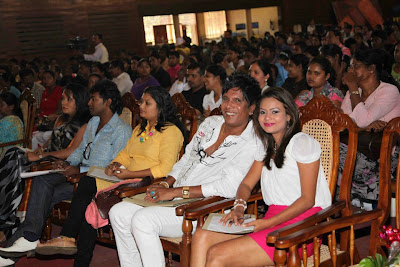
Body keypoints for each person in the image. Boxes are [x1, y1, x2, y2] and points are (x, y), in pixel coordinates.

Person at [108, 74, 264, 267]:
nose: (228, 106)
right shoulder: (211, 124)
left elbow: (228, 186)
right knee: (118, 212)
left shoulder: (253, 141)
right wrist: (166, 183)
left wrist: (175, 192)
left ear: (252, 108)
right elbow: (186, 160)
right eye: (225, 99)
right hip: (176, 196)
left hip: (207, 207)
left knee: (143, 220)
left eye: (237, 101)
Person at [34, 86, 184, 266]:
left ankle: (68, 237)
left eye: (147, 103)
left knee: (90, 190)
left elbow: (166, 168)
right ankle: (74, 249)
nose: (141, 106)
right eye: (141, 102)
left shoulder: (171, 131)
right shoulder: (140, 129)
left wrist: (130, 173)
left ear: (160, 107)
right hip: (126, 178)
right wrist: (115, 165)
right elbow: (125, 154)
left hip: (146, 182)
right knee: (91, 203)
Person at [190, 87, 331, 266]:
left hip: (303, 224)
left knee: (218, 255)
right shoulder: (265, 146)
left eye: (275, 112)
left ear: (288, 115)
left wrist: (267, 223)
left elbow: (308, 200)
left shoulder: (302, 143)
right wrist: (239, 207)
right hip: (272, 219)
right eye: (263, 112)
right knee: (201, 236)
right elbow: (247, 184)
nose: (267, 117)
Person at [0, 80, 131, 266]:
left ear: (108, 102)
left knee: (45, 197)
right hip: (77, 176)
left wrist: (81, 169)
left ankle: (16, 248)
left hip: (97, 183)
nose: (89, 103)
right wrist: (67, 163)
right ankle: (28, 237)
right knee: (43, 181)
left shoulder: (121, 131)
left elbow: (114, 167)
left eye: (93, 99)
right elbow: (79, 151)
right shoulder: (93, 123)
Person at [339, 48, 400, 205]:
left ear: (371, 68)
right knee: (327, 149)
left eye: (356, 66)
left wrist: (352, 88)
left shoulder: (389, 91)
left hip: (381, 155)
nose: (351, 71)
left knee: (335, 152)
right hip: (355, 148)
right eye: (351, 67)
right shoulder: (352, 93)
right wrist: (362, 127)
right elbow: (342, 123)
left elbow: (358, 121)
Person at [32, 70, 63, 149]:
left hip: (52, 120)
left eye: (49, 78)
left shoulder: (58, 90)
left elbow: (60, 109)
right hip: (42, 120)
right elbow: (42, 108)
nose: (46, 80)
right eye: (44, 78)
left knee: (34, 134)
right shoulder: (45, 92)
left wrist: (47, 117)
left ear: (54, 79)